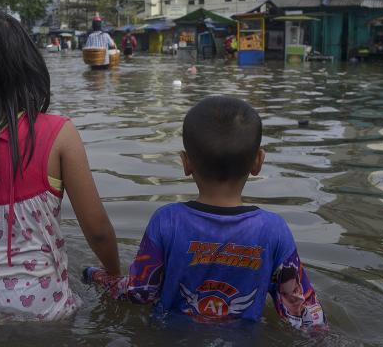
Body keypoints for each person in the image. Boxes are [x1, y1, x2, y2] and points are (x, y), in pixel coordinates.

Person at [0, 9, 120, 320]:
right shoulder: (58, 134)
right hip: (40, 306)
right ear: (29, 65)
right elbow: (98, 231)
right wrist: (114, 273)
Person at [84, 96, 326, 328]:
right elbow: (300, 311)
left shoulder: (167, 221)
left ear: (186, 163)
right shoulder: (274, 230)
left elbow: (140, 292)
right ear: (258, 162)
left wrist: (99, 277)